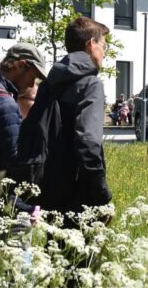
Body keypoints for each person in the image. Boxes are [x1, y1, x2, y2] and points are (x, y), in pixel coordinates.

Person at [35, 16, 113, 217]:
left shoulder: (49, 84)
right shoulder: (90, 85)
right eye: (103, 45)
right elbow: (88, 141)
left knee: (54, 247)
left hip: (48, 184)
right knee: (81, 248)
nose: (105, 53)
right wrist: (101, 192)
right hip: (79, 189)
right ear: (90, 45)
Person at [0, 43, 49, 181]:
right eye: (33, 76)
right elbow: (13, 165)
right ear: (20, 65)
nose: (32, 84)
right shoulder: (5, 104)